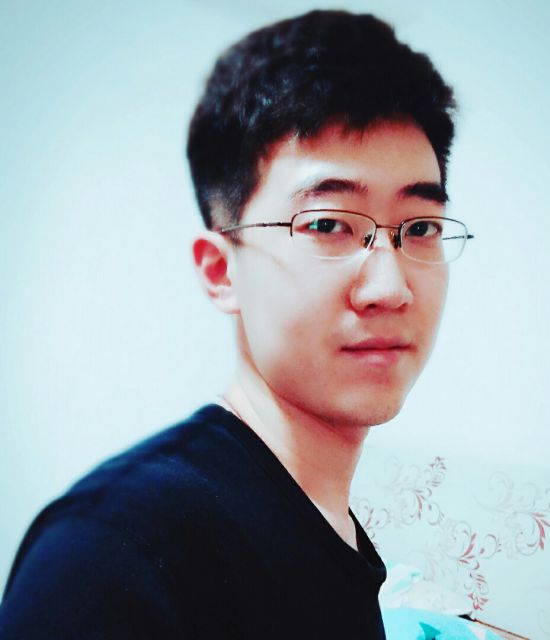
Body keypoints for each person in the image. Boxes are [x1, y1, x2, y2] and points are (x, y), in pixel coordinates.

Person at [0, 9, 471, 639]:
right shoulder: (109, 555)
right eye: (328, 224)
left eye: (420, 227)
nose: (390, 287)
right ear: (222, 271)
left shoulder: (327, 526)